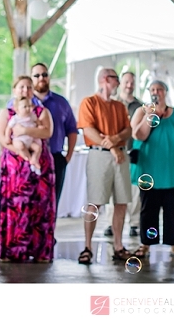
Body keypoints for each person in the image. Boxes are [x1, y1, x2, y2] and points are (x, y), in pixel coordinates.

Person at [129, 80, 174, 259]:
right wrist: (148, 116)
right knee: (147, 208)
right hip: (149, 169)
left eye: (159, 89)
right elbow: (138, 135)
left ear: (165, 92)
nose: (156, 92)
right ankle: (145, 244)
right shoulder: (141, 112)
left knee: (173, 209)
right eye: (152, 89)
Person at [0, 76, 56, 262]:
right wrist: (19, 152)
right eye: (21, 87)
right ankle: (12, 251)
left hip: (40, 165)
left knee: (40, 206)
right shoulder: (6, 113)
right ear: (14, 90)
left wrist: (24, 132)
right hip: (14, 165)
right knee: (15, 206)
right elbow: (2, 136)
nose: (25, 90)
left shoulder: (41, 111)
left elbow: (47, 132)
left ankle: (40, 251)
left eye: (29, 87)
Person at [76, 68, 133, 264]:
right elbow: (89, 130)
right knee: (95, 201)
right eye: (115, 79)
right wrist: (112, 148)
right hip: (99, 155)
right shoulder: (89, 102)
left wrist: (115, 140)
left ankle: (118, 245)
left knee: (122, 201)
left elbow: (128, 130)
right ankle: (87, 246)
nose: (118, 83)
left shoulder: (119, 106)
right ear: (104, 80)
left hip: (120, 156)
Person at [31, 63, 78, 207]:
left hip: (55, 158)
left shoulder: (61, 102)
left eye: (44, 74)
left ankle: (50, 230)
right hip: (31, 158)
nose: (41, 78)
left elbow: (72, 129)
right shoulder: (22, 103)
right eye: (37, 75)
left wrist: (68, 156)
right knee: (31, 203)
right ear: (31, 78)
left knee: (52, 204)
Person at [104, 71, 143, 238]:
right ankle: (111, 224)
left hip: (133, 152)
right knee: (113, 189)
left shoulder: (139, 106)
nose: (129, 85)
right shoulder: (112, 104)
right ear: (121, 83)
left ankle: (134, 223)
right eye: (127, 81)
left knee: (134, 190)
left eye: (132, 82)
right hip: (114, 152)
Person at [5, 96, 42, 175]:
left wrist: (39, 126)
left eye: (29, 106)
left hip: (30, 140)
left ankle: (34, 159)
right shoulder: (15, 118)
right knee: (20, 146)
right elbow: (8, 128)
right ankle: (29, 160)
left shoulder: (32, 116)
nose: (28, 108)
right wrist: (7, 137)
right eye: (25, 107)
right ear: (17, 109)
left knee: (38, 148)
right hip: (19, 139)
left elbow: (38, 122)